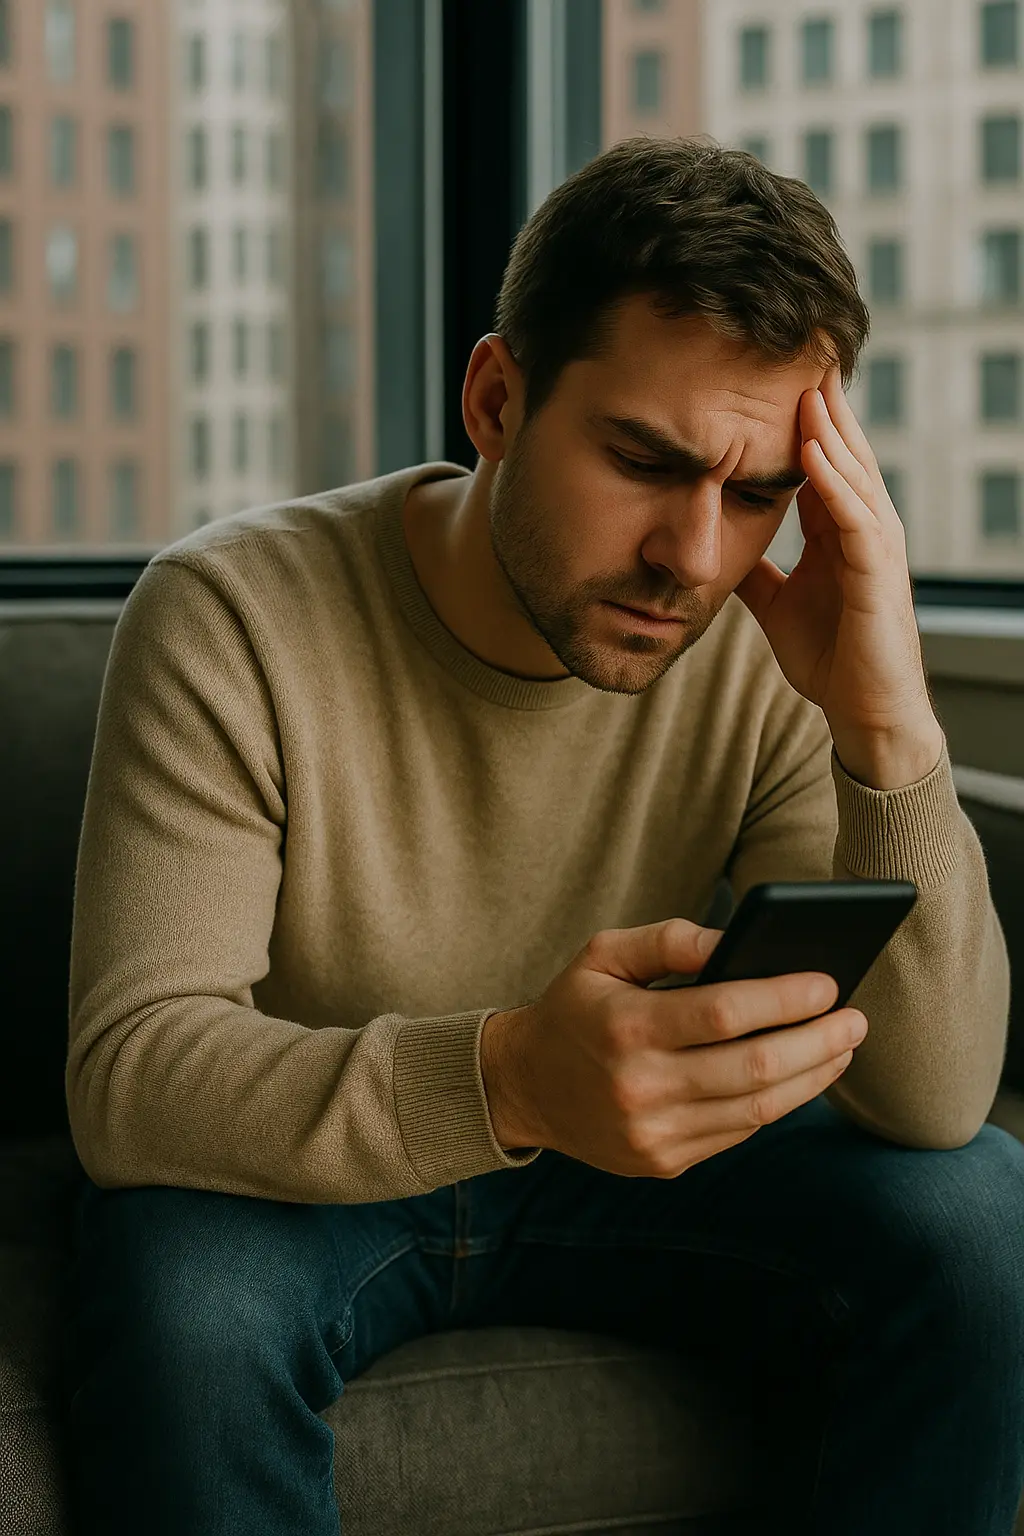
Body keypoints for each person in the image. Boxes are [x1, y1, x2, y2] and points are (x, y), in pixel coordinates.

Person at [64, 136, 1024, 1534]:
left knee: (985, 1214)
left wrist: (890, 727)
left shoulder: (767, 643)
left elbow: (931, 1106)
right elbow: (132, 1078)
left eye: (757, 494)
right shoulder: (231, 615)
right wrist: (510, 1077)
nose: (694, 557)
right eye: (643, 460)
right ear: (497, 399)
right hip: (312, 1176)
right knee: (183, 1294)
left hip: (644, 1168)